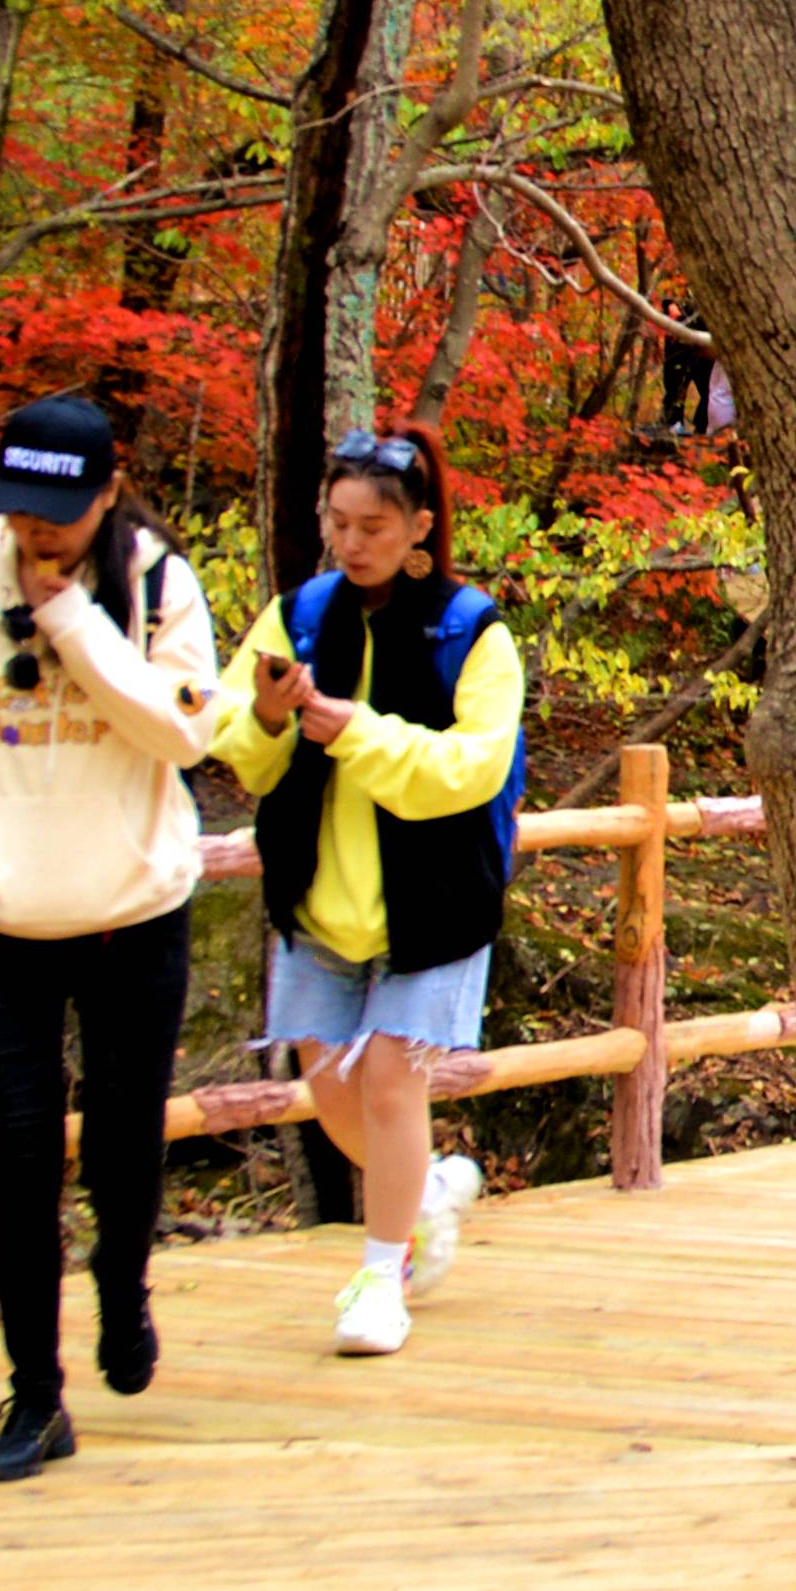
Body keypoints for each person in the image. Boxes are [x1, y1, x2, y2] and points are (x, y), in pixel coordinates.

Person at [0, 390, 226, 1485]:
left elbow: (182, 729)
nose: (40, 533)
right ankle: (34, 1394)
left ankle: (124, 1285)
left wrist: (73, 619)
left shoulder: (160, 588)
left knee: (123, 1144)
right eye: (23, 510)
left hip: (133, 918)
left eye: (61, 512)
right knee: (21, 1158)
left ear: (109, 492)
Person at [210, 427, 527, 1362]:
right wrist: (269, 717)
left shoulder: (471, 631)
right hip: (318, 900)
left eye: (375, 526)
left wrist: (356, 732)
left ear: (421, 526)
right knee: (327, 1083)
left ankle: (381, 1277)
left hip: (434, 906)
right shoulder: (300, 615)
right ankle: (424, 1197)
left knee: (390, 1080)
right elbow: (239, 742)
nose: (353, 543)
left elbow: (473, 769)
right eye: (338, 523)